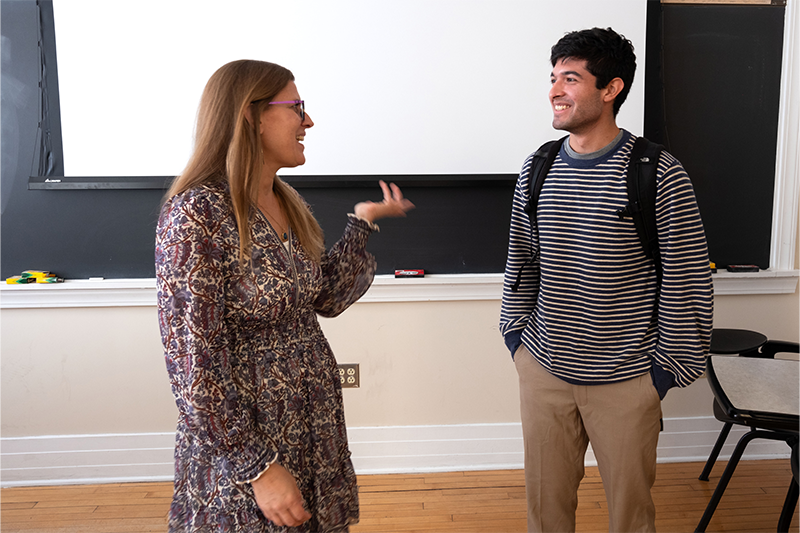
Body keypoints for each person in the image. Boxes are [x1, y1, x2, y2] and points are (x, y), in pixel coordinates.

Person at [156, 59, 414, 532]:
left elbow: (325, 298)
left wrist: (363, 221)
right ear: (250, 116)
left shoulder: (285, 200)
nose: (308, 121)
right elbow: (193, 367)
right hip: (251, 444)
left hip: (312, 426)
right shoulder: (196, 214)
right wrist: (257, 467)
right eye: (296, 107)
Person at [499, 28, 713, 532]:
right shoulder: (538, 167)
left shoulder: (657, 172)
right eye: (553, 78)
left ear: (611, 89)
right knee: (545, 514)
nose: (555, 90)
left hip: (628, 379)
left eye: (570, 78)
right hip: (545, 371)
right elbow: (522, 261)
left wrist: (663, 374)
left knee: (631, 520)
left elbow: (688, 281)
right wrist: (516, 338)